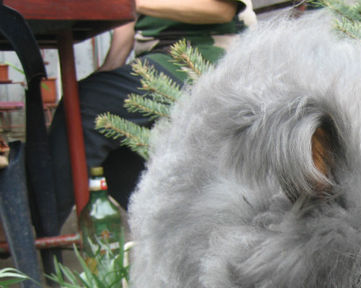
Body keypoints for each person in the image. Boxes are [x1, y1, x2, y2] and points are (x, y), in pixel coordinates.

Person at [49, 0, 256, 226]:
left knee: (81, 111)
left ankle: (37, 234)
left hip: (205, 59)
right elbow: (128, 22)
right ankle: (175, 234)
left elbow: (220, 9)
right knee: (103, 126)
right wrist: (107, 73)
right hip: (156, 62)